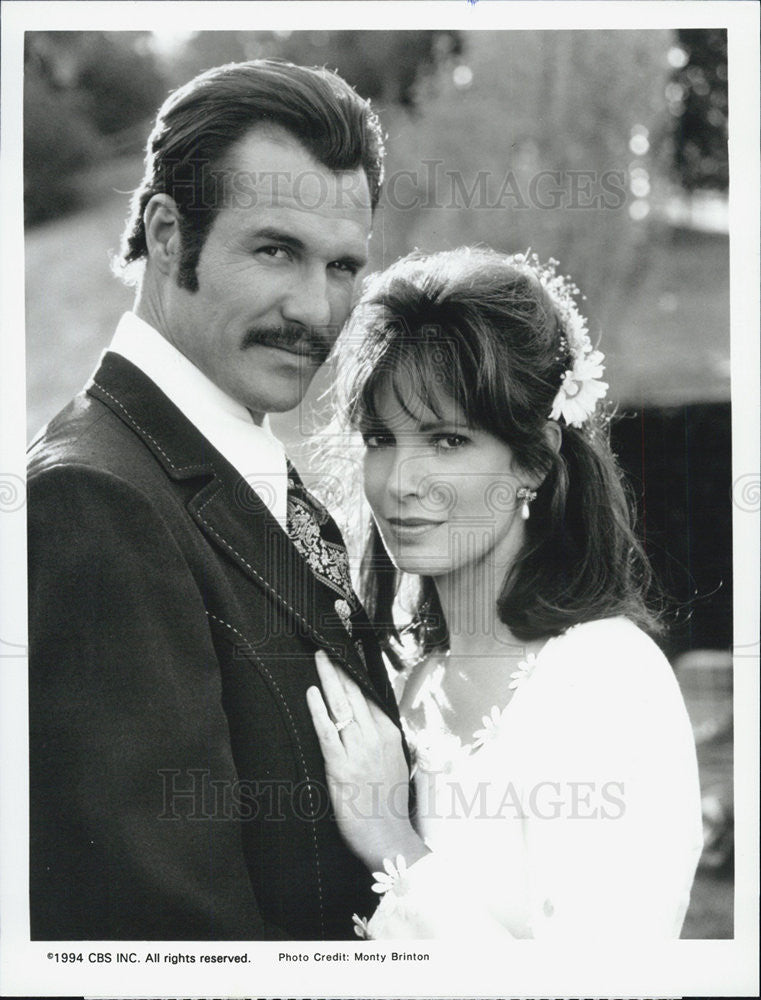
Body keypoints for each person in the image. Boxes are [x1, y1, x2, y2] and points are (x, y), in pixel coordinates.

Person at [27, 59, 404, 940]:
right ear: (167, 233)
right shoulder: (93, 503)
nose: (316, 309)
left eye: (344, 265)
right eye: (275, 250)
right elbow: (164, 939)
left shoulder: (236, 455)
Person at [307, 247, 704, 940]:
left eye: (448, 439)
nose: (400, 481)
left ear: (535, 458)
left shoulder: (606, 677)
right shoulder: (404, 688)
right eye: (379, 437)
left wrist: (391, 842)